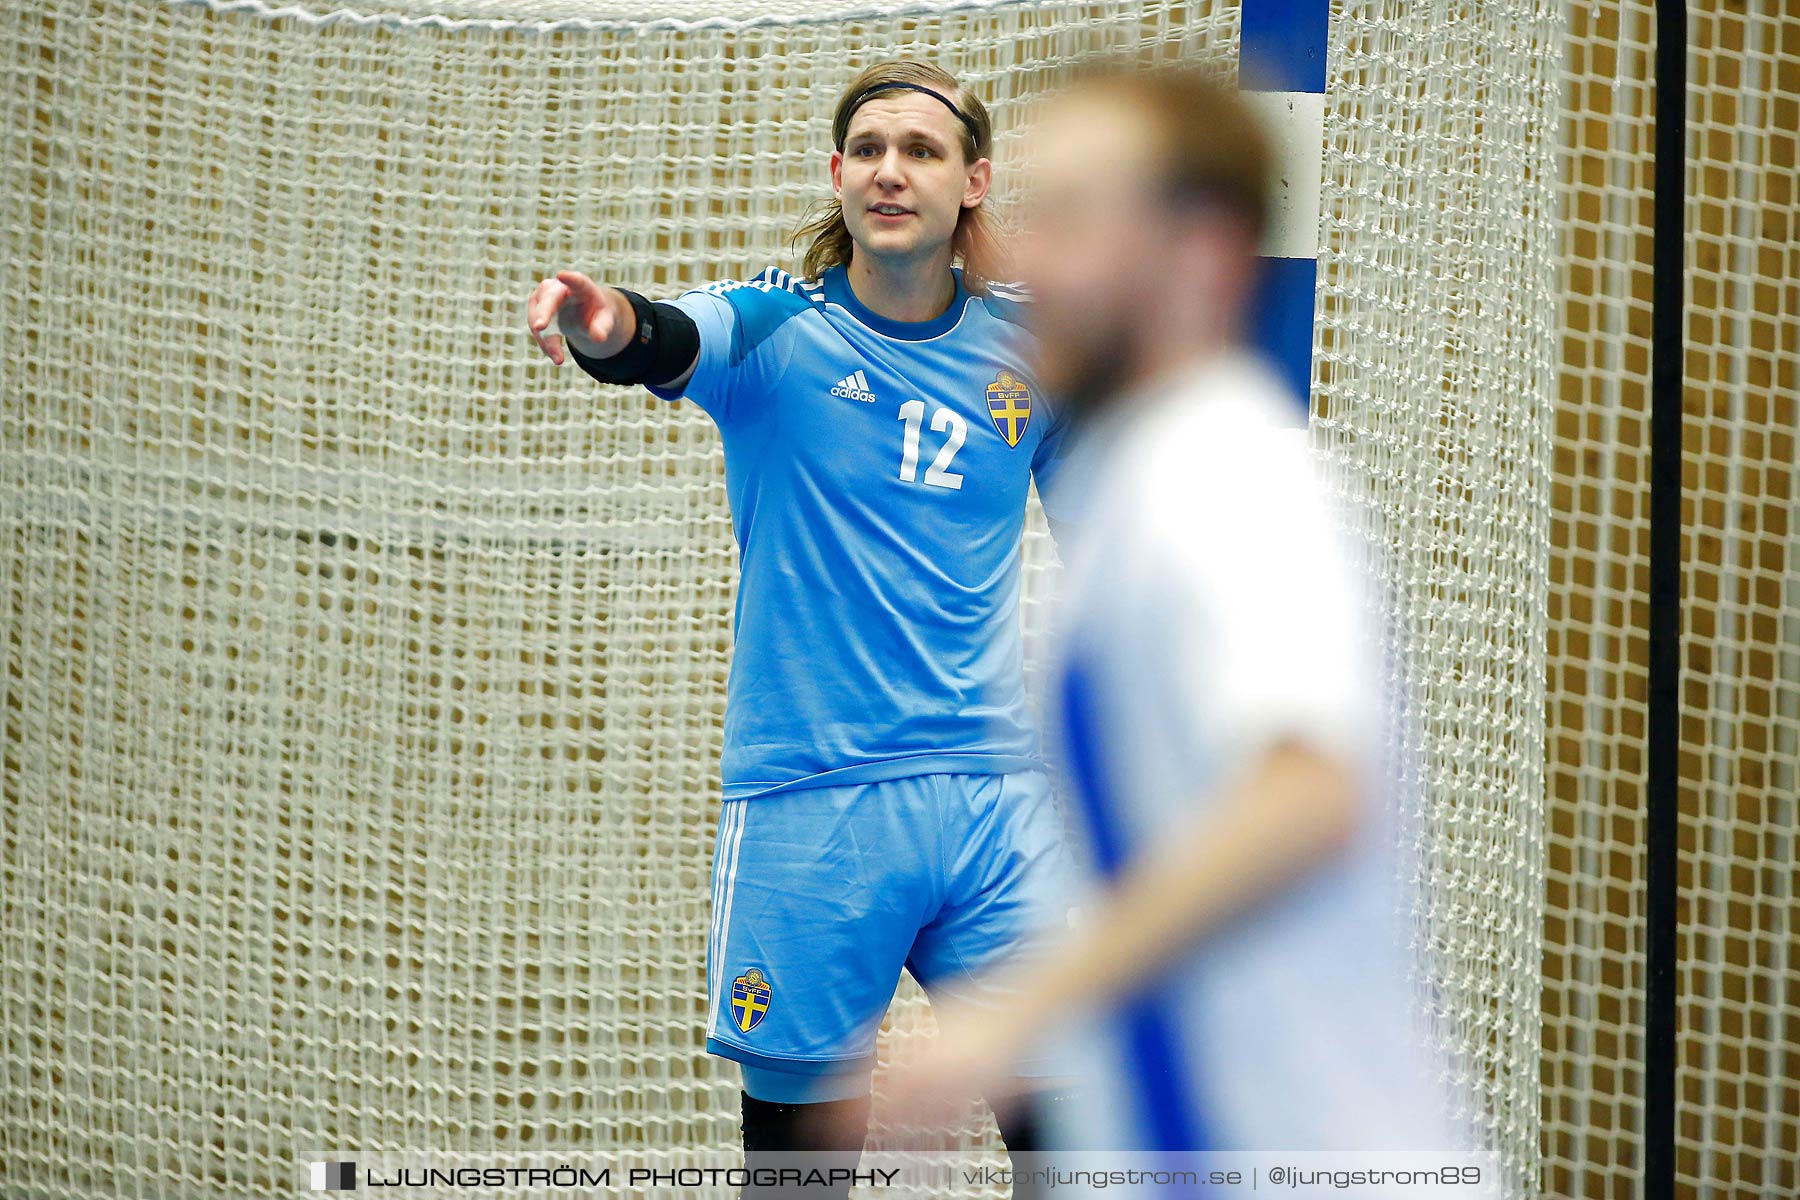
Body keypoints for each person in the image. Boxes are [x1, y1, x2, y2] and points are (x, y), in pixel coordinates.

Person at [880, 63, 1456, 1166]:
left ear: (1203, 255)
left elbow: (1309, 793)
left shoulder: (1231, 475)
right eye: (1031, 217)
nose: (1027, 258)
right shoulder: (1137, 493)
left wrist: (1021, 1005)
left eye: (1077, 219)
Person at [525, 58, 1076, 1191]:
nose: (890, 171)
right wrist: (603, 320)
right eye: (868, 149)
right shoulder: (779, 328)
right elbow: (661, 337)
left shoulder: (1034, 350)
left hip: (992, 804)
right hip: (812, 809)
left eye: (921, 151)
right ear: (836, 175)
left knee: (1079, 1132)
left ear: (973, 181)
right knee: (801, 1170)